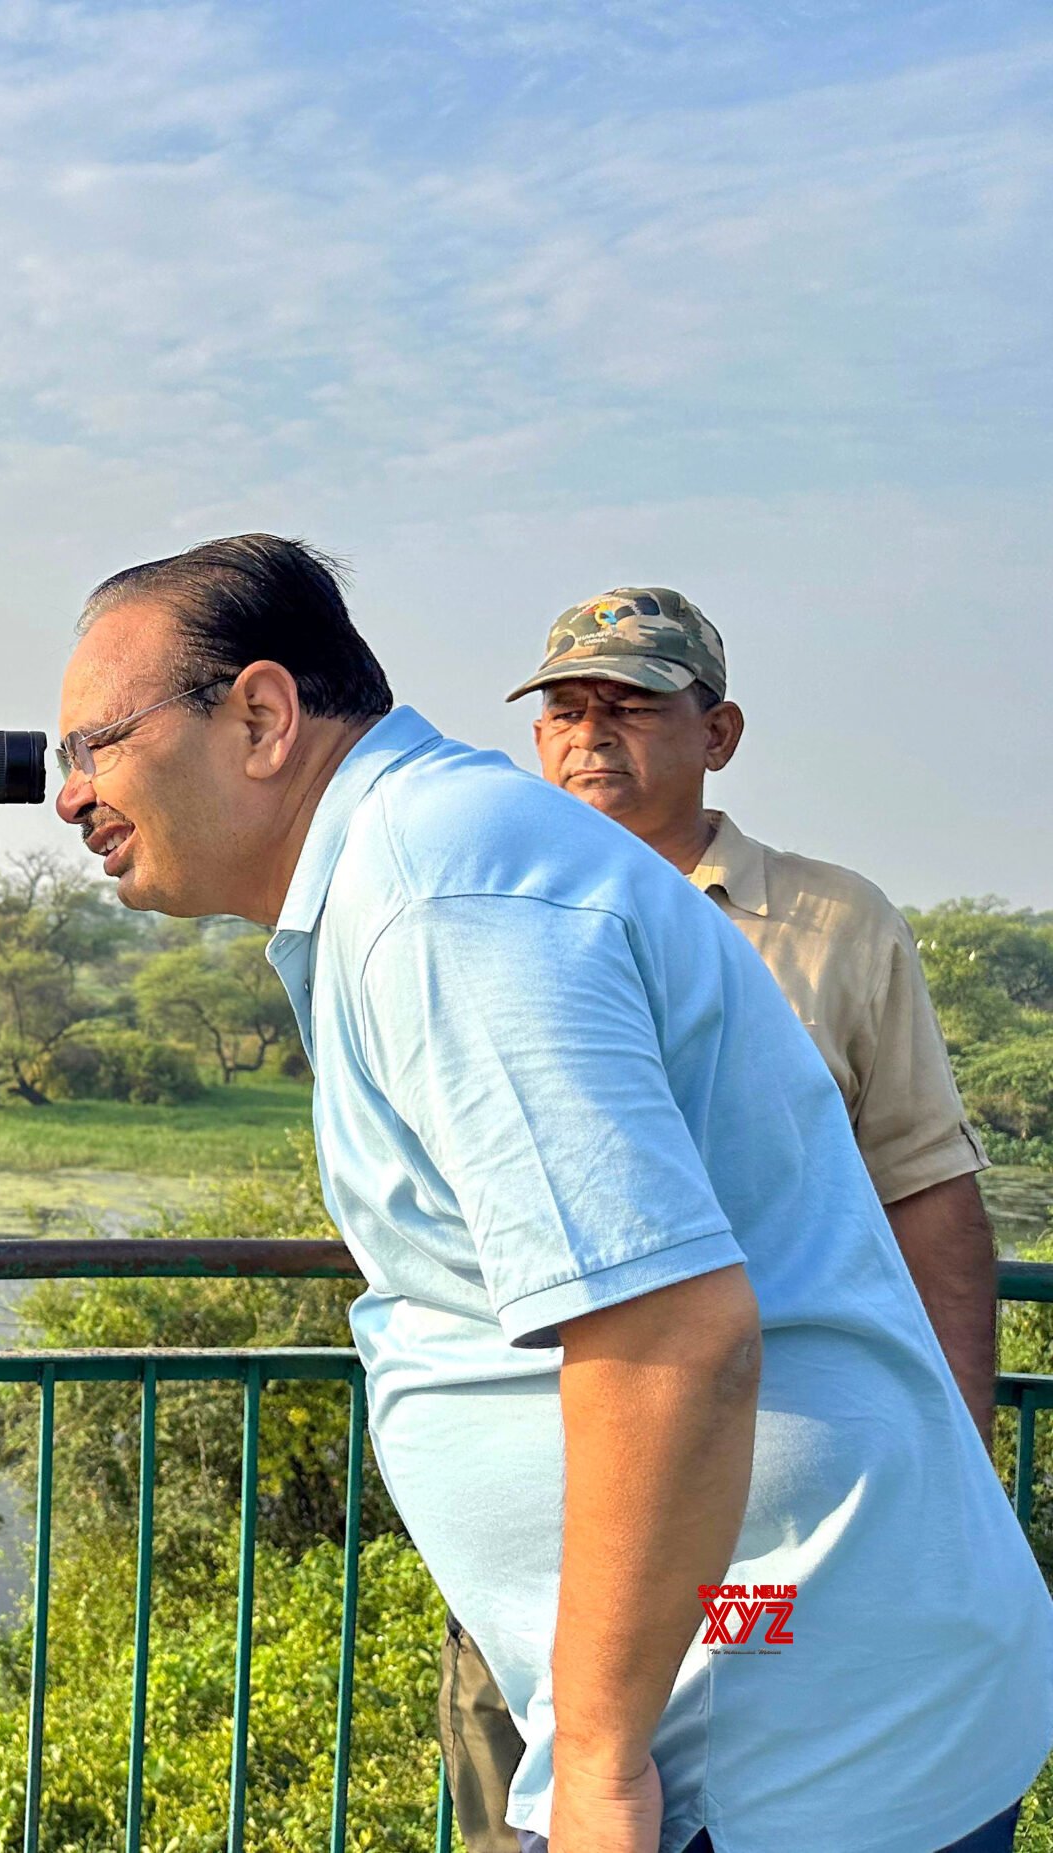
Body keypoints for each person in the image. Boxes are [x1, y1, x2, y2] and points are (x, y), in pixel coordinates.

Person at [51, 534, 1049, 1853]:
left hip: (764, 1739)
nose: (68, 798)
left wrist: (597, 1765)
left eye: (95, 745)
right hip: (765, 1691)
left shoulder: (440, 891)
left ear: (262, 715)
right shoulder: (428, 862)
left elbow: (668, 1336)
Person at [430, 588, 1008, 1852]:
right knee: (528, 1790)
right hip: (549, 1477)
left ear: (718, 731)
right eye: (566, 711)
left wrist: (956, 1460)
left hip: (774, 1487)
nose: (591, 738)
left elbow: (925, 1187)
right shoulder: (484, 922)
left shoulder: (828, 924)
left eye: (631, 706)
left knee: (783, 1768)